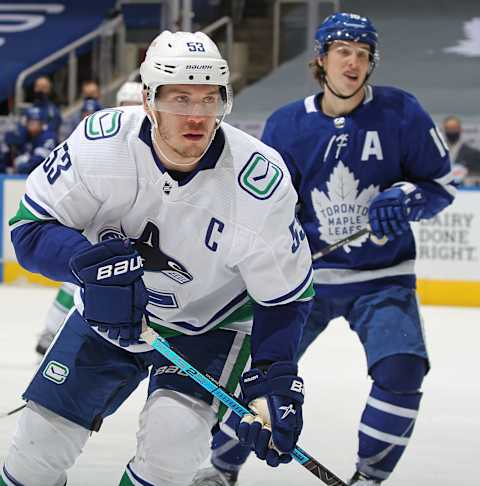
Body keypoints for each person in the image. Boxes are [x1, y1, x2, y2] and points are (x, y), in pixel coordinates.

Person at [3, 30, 314, 486]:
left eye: (210, 100)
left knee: (170, 456)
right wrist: (91, 268)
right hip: (108, 318)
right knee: (33, 453)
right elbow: (29, 230)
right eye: (181, 98)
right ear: (148, 100)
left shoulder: (258, 184)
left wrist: (272, 379)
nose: (197, 115)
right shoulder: (100, 144)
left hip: (211, 326)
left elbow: (286, 296)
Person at [194, 12, 456, 486]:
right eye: (342, 51)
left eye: (362, 54)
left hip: (383, 275)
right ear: (321, 59)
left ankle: (370, 476)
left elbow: (439, 185)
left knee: (403, 367)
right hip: (303, 278)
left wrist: (406, 196)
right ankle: (219, 468)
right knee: (257, 377)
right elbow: (264, 207)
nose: (353, 62)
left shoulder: (402, 112)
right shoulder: (287, 125)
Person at [34, 82, 144, 357]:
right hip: (102, 227)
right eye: (126, 106)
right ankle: (54, 332)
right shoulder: (101, 139)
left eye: (135, 107)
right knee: (80, 280)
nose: (131, 112)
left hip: (138, 230)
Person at [2, 106, 57, 174]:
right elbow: (9, 140)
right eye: (30, 120)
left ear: (42, 123)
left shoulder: (49, 135)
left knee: (25, 167)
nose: (32, 123)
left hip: (45, 174)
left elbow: (41, 158)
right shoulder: (24, 132)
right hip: (24, 172)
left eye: (36, 121)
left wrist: (26, 159)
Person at [442, 115, 480, 183]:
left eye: (454, 128)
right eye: (449, 129)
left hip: (465, 191)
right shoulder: (436, 153)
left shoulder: (474, 154)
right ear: (444, 130)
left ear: (460, 129)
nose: (452, 131)